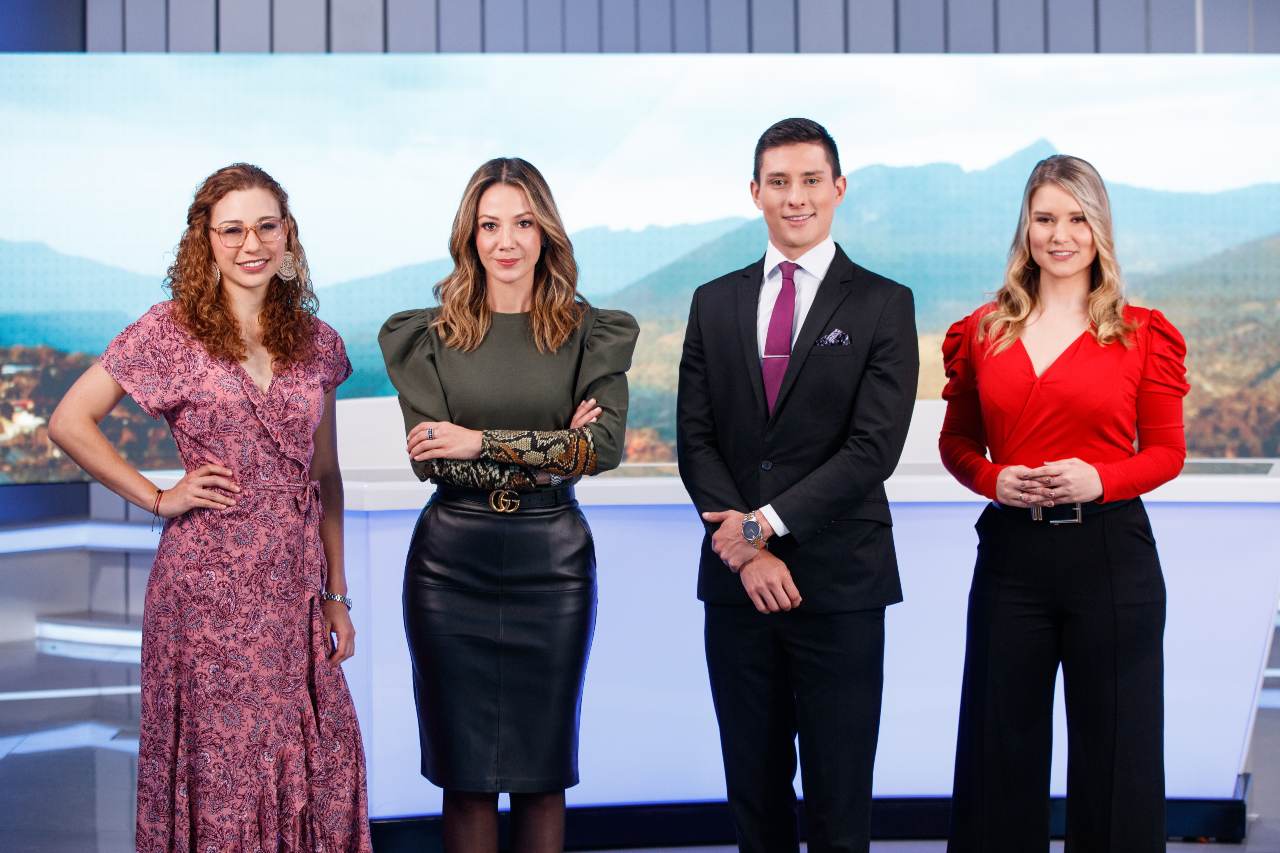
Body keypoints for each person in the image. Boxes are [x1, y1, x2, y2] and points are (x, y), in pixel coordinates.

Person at [48, 164, 371, 851]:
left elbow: (326, 475)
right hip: (205, 592)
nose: (252, 243)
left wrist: (336, 594)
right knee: (222, 770)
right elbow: (69, 421)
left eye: (266, 226)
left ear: (287, 235)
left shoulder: (319, 341)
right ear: (207, 240)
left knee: (320, 755)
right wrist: (159, 496)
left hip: (294, 589)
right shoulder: (168, 332)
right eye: (233, 230)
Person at [378, 157, 638, 853]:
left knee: (542, 775)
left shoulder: (592, 331)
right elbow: (432, 457)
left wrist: (478, 438)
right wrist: (552, 444)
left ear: (545, 231)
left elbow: (601, 448)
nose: (507, 241)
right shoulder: (424, 335)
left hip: (551, 563)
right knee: (463, 778)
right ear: (470, 234)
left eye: (523, 223)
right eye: (490, 225)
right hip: (449, 566)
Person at [676, 117, 919, 853]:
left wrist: (761, 527)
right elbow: (696, 439)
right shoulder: (713, 301)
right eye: (778, 182)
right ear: (754, 192)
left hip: (841, 586)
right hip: (738, 588)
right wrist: (747, 551)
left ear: (838, 188)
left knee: (839, 797)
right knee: (754, 794)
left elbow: (871, 450)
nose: (795, 197)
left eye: (811, 180)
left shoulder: (884, 303)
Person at [940, 154, 1189, 852]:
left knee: (1118, 754)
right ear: (1025, 228)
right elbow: (957, 443)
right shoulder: (983, 331)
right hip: (1012, 556)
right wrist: (993, 480)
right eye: (1045, 218)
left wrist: (1099, 480)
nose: (1060, 235)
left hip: (1111, 555)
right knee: (998, 747)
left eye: (1078, 219)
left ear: (1099, 228)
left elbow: (1167, 453)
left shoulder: (1142, 332)